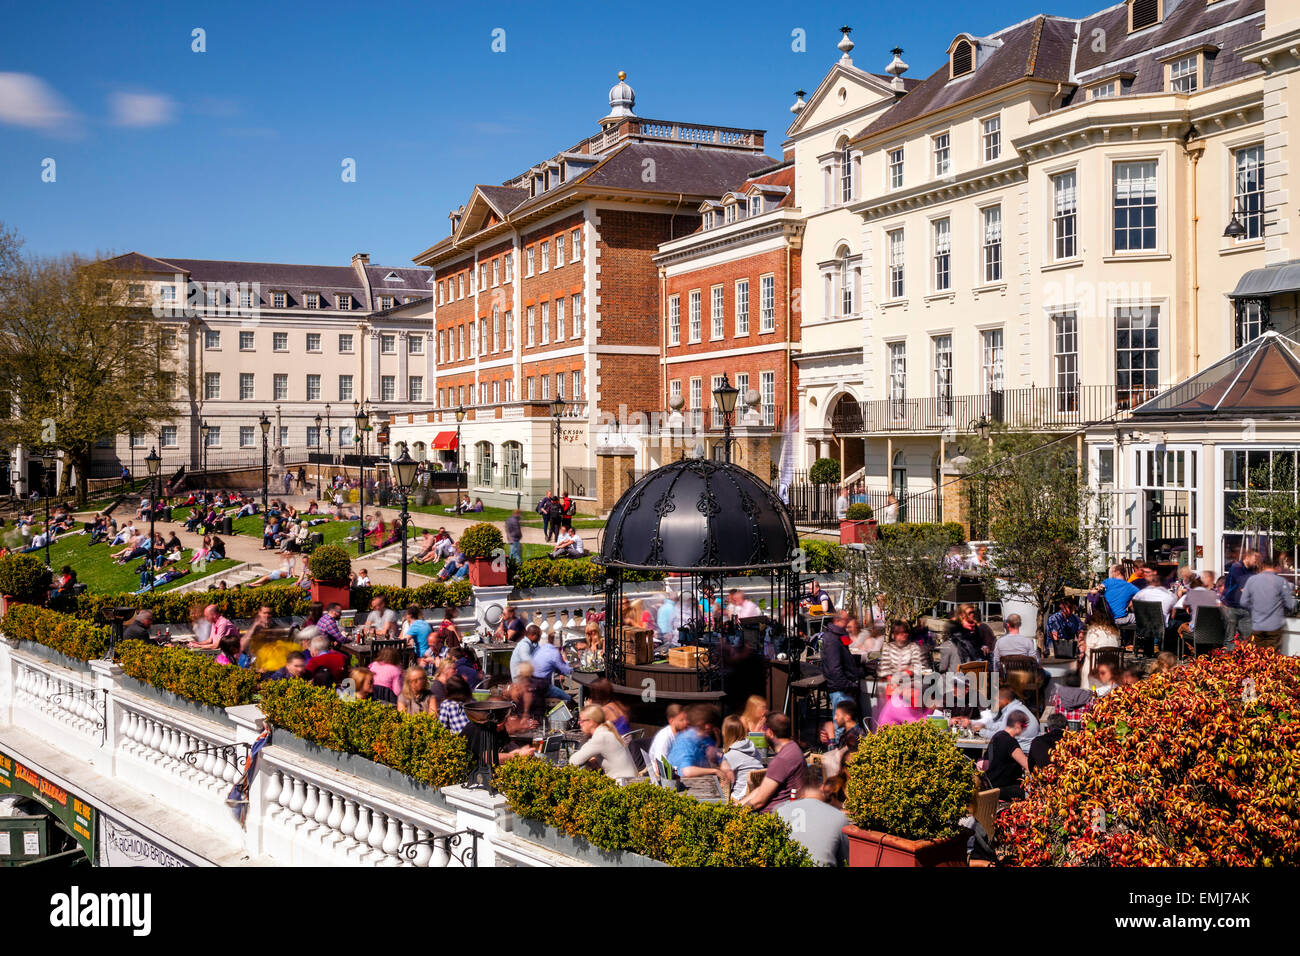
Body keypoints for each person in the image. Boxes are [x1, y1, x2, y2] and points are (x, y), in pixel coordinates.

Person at [775, 767, 850, 866]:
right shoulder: (839, 817)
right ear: (822, 786)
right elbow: (845, 860)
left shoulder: (779, 811)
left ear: (800, 788)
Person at [738, 712, 805, 813]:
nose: (763, 733)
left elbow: (759, 801)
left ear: (769, 732)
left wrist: (735, 814)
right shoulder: (794, 748)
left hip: (772, 818)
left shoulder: (782, 759)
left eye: (763, 730)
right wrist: (737, 805)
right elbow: (762, 789)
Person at [819, 612, 863, 741]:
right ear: (839, 621)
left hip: (841, 688)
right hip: (841, 690)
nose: (849, 623)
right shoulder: (832, 639)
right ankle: (841, 755)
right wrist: (849, 685)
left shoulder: (835, 636)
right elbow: (834, 669)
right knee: (842, 729)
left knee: (845, 728)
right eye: (847, 619)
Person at [665, 704, 732, 791]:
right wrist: (715, 771)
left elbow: (716, 754)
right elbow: (687, 771)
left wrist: (725, 765)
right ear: (706, 725)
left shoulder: (703, 737)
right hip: (681, 788)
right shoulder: (686, 740)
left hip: (696, 784)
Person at [1239, 554, 1296, 652]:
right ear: (1276, 567)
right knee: (1273, 658)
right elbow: (1291, 604)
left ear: (1262, 566)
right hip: (1274, 626)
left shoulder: (1252, 580)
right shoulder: (1281, 581)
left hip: (1257, 625)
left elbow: (1243, 602)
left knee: (1257, 658)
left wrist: (1255, 607)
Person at [568, 705, 637, 779]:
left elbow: (574, 761)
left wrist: (591, 759)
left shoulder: (601, 737)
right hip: (630, 781)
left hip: (622, 784)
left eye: (581, 720)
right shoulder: (607, 731)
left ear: (591, 722)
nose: (578, 723)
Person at [964, 685, 1039, 753]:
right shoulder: (1015, 708)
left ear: (1005, 700)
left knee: (989, 755)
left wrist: (981, 731)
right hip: (1024, 747)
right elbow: (1001, 725)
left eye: (996, 699)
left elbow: (1000, 736)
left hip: (1022, 750)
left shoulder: (1013, 712)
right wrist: (980, 724)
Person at [983, 711, 1032, 800]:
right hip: (1004, 789)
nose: (1025, 729)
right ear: (1017, 725)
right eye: (1024, 726)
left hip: (990, 786)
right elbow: (1027, 765)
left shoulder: (997, 736)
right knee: (1031, 791)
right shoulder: (1009, 741)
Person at [721, 714, 764, 801]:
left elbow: (722, 781)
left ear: (726, 733)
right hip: (757, 796)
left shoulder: (731, 755)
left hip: (739, 799)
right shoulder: (754, 750)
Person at [1080, 598, 1120, 688]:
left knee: (1087, 661)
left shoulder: (1093, 631)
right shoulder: (1114, 633)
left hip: (1095, 670)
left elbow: (1088, 652)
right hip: (1111, 670)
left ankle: (1086, 692)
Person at [1223, 549, 1259, 646]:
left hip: (1245, 608)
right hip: (1232, 606)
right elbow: (1244, 587)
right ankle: (1226, 659)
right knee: (1230, 637)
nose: (1257, 562)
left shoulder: (1253, 571)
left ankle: (1242, 659)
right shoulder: (1237, 567)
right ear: (1247, 557)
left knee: (1246, 638)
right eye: (1255, 560)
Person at [647, 704, 689, 782]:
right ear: (671, 721)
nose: (685, 723)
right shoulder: (664, 738)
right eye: (681, 720)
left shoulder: (681, 734)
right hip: (663, 780)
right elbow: (661, 766)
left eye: (686, 719)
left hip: (678, 774)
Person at [530, 630, 574, 703]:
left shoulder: (542, 648)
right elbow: (567, 670)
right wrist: (570, 662)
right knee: (568, 699)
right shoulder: (554, 653)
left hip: (531, 683)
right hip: (542, 686)